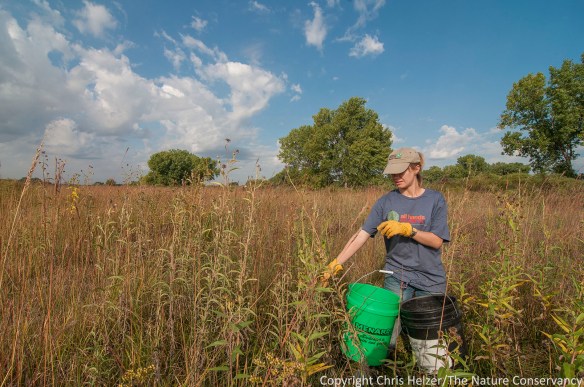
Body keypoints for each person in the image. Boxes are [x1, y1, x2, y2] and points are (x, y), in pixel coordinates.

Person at [321, 147, 451, 349]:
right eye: (392, 172)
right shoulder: (386, 201)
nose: (395, 176)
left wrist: (409, 230)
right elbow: (362, 234)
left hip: (431, 278)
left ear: (416, 168)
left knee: (428, 338)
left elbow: (436, 241)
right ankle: (371, 369)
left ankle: (424, 374)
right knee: (386, 333)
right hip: (397, 275)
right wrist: (336, 263)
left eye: (401, 171)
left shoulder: (435, 200)